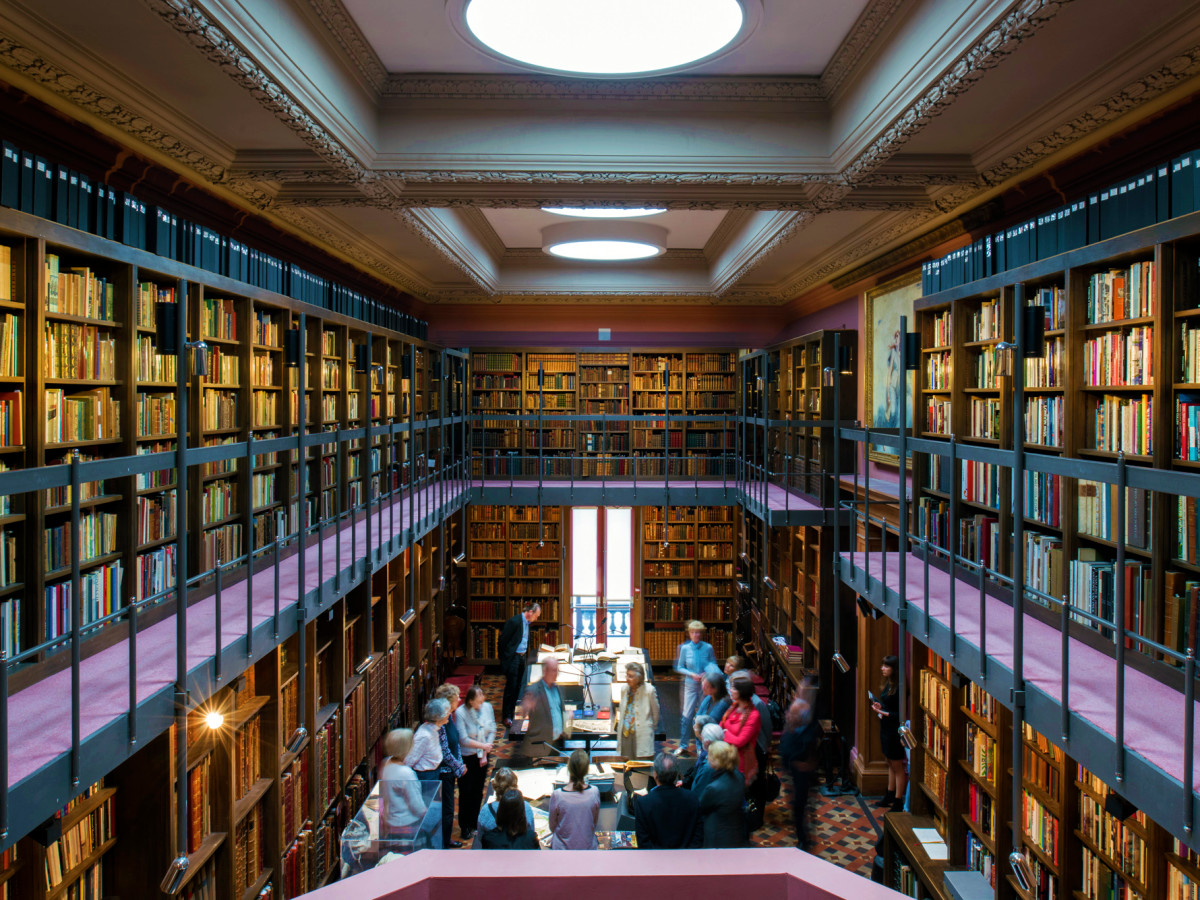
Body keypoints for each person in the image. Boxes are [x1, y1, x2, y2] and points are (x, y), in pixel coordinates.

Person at [455, 684, 496, 841]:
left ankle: (474, 822)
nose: (482, 702)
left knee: (478, 790)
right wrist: (483, 746)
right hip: (468, 756)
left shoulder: (487, 707)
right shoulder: (461, 713)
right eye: (479, 700)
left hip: (483, 755)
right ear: (471, 701)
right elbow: (463, 739)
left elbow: (492, 729)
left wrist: (486, 748)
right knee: (466, 790)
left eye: (482, 698)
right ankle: (465, 825)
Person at [634, 752, 700, 849]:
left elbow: (643, 842)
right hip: (687, 857)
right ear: (676, 774)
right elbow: (698, 837)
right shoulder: (692, 798)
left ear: (655, 774)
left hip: (655, 857)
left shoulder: (643, 803)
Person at [779, 696, 821, 851]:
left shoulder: (807, 734)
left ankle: (804, 841)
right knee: (798, 809)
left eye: (792, 713)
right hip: (793, 777)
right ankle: (803, 836)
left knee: (801, 808)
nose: (788, 715)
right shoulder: (792, 729)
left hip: (804, 779)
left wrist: (800, 763)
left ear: (800, 718)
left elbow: (810, 758)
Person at [674, 621, 717, 754]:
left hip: (705, 686)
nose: (695, 635)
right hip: (690, 685)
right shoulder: (685, 648)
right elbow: (680, 667)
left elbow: (713, 664)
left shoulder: (708, 648)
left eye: (697, 632)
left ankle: (700, 746)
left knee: (702, 716)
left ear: (701, 633)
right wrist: (691, 674)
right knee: (686, 715)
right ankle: (683, 745)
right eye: (692, 632)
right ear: (689, 634)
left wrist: (705, 673)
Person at [871, 654, 907, 812]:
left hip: (895, 730)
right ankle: (890, 794)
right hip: (886, 728)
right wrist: (880, 706)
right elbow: (888, 705)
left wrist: (883, 712)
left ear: (894, 669)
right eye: (882, 665)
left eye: (886, 666)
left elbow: (899, 714)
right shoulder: (889, 684)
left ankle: (898, 800)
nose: (882, 669)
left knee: (897, 765)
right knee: (890, 763)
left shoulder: (900, 687)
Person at [433, 685, 467, 848]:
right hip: (444, 772)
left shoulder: (449, 717)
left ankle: (446, 839)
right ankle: (444, 844)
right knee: (446, 809)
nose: (459, 700)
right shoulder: (441, 722)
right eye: (457, 697)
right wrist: (458, 768)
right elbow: (445, 752)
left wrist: (459, 763)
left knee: (449, 808)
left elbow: (455, 743)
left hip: (452, 770)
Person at [378, 729, 426, 842]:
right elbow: (416, 805)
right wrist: (426, 814)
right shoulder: (406, 773)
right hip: (407, 823)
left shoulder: (386, 763)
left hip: (391, 821)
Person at [548, 749, 600, 849]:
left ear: (568, 768)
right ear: (587, 770)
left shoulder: (557, 795)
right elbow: (594, 823)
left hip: (562, 851)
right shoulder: (595, 792)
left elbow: (552, 827)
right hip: (587, 849)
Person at [698, 741, 747, 848]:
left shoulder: (714, 788)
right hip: (736, 830)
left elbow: (701, 806)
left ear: (716, 760)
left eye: (709, 755)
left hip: (717, 835)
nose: (707, 757)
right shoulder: (739, 775)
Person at [499, 602, 541, 726]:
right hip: (513, 658)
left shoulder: (527, 623)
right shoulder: (514, 621)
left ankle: (513, 711)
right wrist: (505, 659)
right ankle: (506, 716)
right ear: (530, 612)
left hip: (522, 657)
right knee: (511, 687)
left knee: (519, 686)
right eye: (536, 616)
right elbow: (502, 641)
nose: (536, 619)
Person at [473, 768, 536, 849]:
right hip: (521, 850)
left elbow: (480, 838)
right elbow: (531, 833)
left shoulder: (486, 810)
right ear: (515, 786)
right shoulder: (525, 807)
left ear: (494, 786)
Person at [520, 655, 568, 758]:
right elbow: (523, 712)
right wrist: (526, 707)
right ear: (545, 671)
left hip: (555, 744)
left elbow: (557, 712)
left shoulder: (558, 688)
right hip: (539, 746)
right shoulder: (533, 690)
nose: (557, 673)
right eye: (554, 670)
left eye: (557, 670)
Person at [720, 677, 761, 784]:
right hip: (725, 757)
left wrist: (724, 732)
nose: (730, 690)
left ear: (741, 691)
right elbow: (721, 725)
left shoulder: (753, 715)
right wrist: (725, 732)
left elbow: (740, 741)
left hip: (739, 764)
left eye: (733, 688)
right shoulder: (734, 707)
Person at [615, 661, 660, 759]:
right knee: (627, 763)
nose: (627, 679)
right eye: (627, 675)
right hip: (626, 733)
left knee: (642, 764)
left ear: (639, 678)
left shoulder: (649, 690)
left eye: (631, 676)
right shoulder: (624, 689)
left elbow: (656, 712)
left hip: (642, 733)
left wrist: (652, 727)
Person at [687, 722, 727, 798]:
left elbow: (699, 793)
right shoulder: (724, 754)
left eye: (702, 738)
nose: (701, 740)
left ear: (707, 742)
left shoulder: (709, 766)